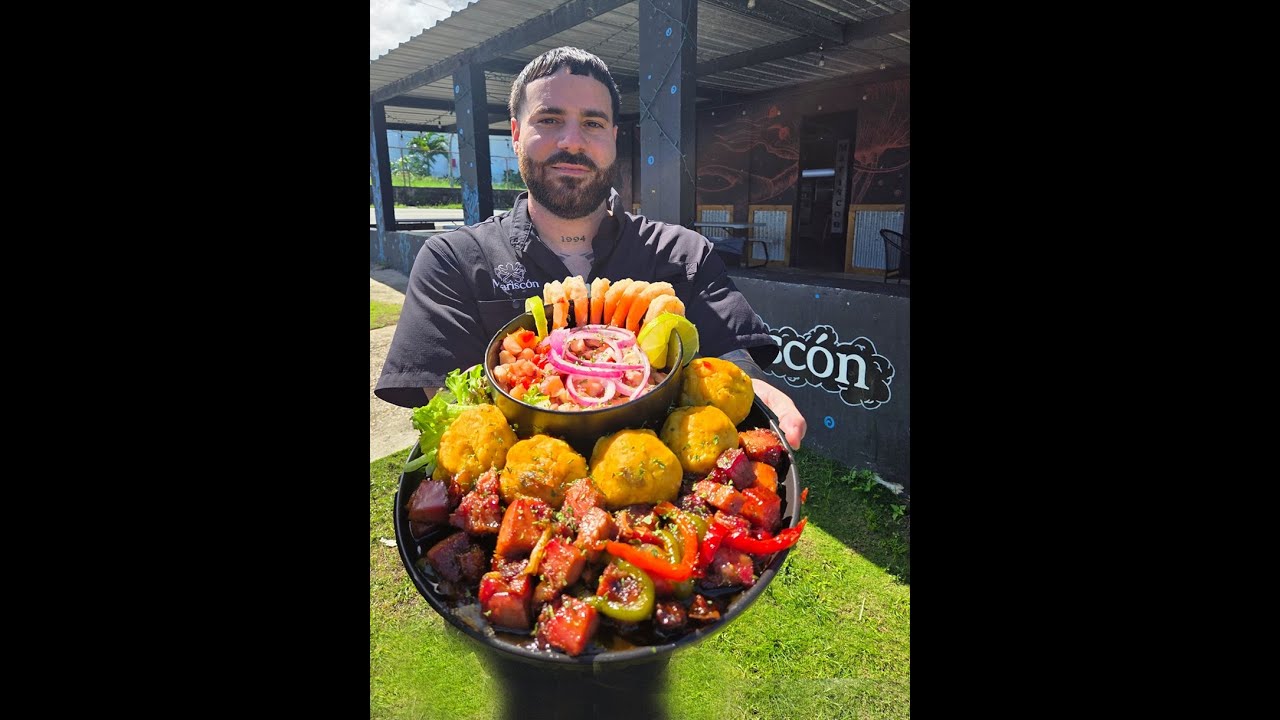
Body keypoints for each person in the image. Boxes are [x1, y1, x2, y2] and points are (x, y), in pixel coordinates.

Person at [374, 46, 806, 450]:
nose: (572, 142)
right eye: (549, 119)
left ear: (614, 137)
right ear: (515, 134)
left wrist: (750, 383)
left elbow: (728, 351)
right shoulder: (451, 259)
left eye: (593, 123)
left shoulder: (684, 252)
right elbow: (450, 405)